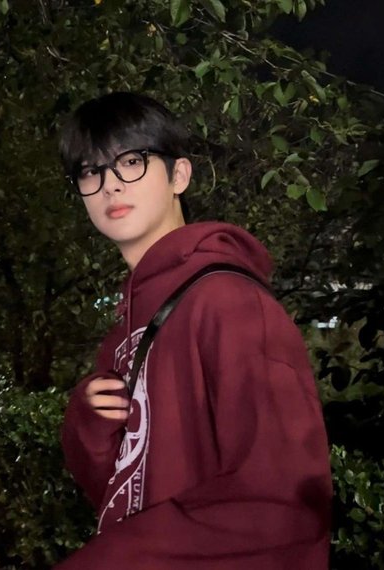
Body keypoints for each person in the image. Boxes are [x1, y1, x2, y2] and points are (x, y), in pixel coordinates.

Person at [54, 91, 332, 569]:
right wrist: (88, 422)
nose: (109, 185)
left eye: (131, 161)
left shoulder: (228, 302)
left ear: (179, 175)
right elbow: (117, 489)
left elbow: (281, 503)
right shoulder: (126, 325)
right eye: (90, 171)